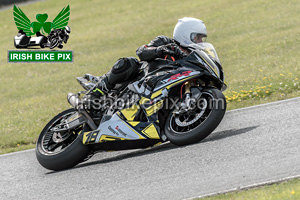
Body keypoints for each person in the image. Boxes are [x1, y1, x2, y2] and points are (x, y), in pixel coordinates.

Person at [86, 17, 207, 101]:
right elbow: (141, 52)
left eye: (201, 38)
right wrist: (159, 50)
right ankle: (95, 93)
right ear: (185, 34)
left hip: (162, 92)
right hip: (141, 83)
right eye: (197, 37)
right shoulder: (165, 42)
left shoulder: (191, 56)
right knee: (128, 63)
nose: (200, 41)